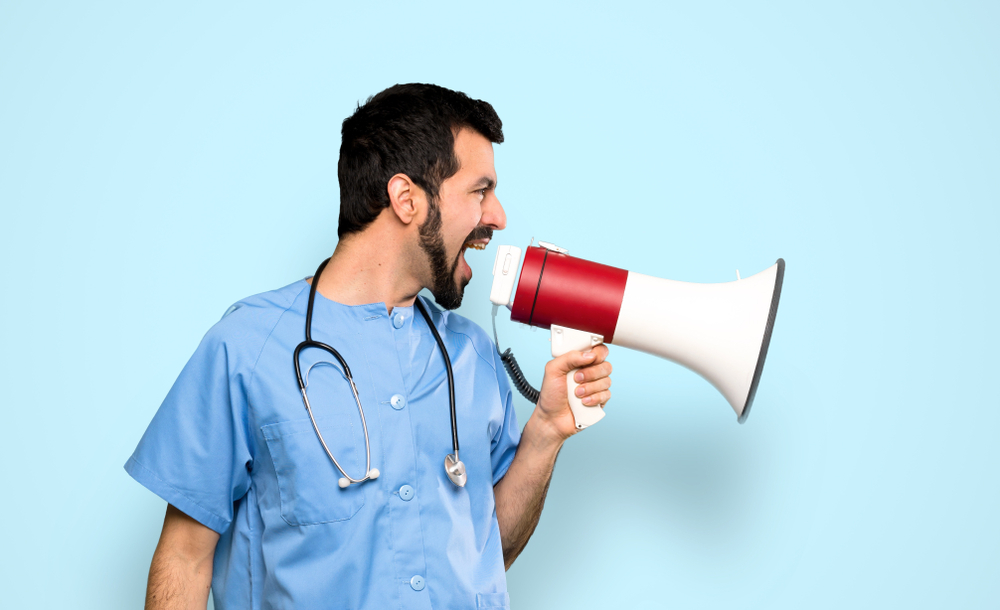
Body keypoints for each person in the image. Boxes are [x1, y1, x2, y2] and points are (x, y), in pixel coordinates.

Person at [126, 83, 614, 610]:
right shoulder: (246, 348)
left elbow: (490, 549)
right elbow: (184, 557)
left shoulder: (471, 356)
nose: (497, 216)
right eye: (479, 191)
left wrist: (546, 431)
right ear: (407, 199)